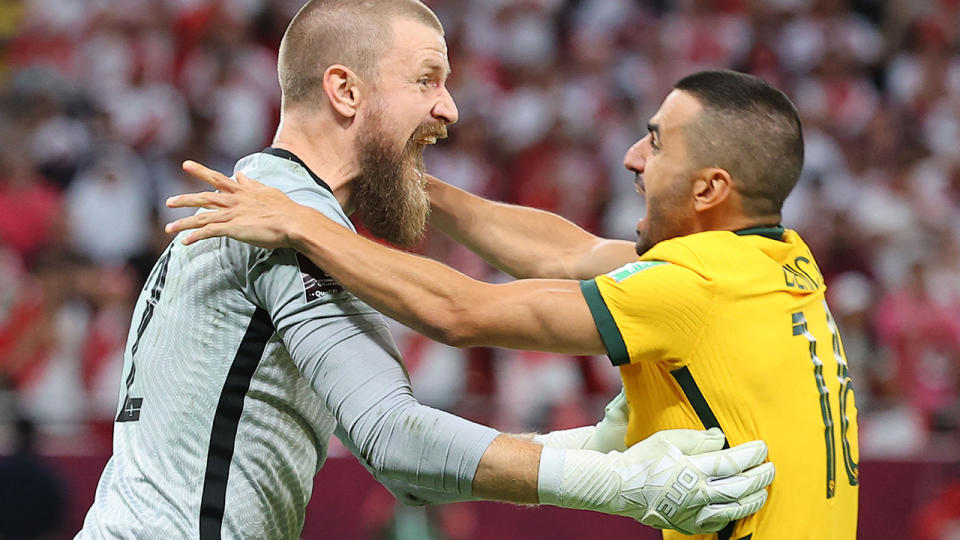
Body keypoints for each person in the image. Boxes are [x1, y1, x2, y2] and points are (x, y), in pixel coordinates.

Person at [78, 3, 775, 539]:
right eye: (427, 80)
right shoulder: (284, 223)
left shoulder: (273, 205)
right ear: (345, 92)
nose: (451, 107)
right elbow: (397, 441)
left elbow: (415, 454)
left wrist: (583, 443)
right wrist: (617, 479)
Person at [167, 69, 859, 540]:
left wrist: (299, 222)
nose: (631, 157)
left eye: (655, 141)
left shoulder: (692, 287)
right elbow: (565, 253)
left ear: (710, 190)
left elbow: (460, 313)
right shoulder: (776, 263)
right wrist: (415, 190)